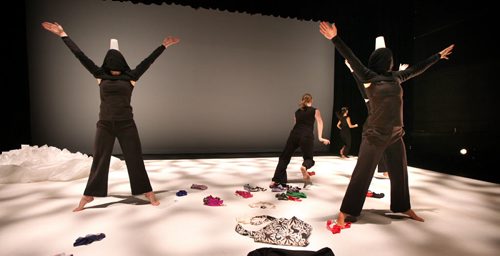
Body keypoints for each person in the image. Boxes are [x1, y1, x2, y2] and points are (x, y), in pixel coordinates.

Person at [319, 21, 454, 227]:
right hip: (374, 134)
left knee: (400, 173)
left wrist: (437, 56)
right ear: (384, 60)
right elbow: (351, 57)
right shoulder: (368, 75)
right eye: (389, 60)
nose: (391, 63)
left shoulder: (397, 77)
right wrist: (335, 39)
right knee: (361, 174)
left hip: (395, 134)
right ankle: (347, 210)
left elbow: (418, 69)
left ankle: (403, 206)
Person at [41, 21, 180, 211]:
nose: (114, 68)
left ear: (122, 63)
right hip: (105, 125)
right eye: (111, 64)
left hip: (126, 125)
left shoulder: (131, 76)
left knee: (135, 158)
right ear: (107, 63)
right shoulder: (100, 75)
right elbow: (80, 56)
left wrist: (163, 46)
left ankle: (147, 192)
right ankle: (88, 195)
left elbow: (148, 61)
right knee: (99, 159)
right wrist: (63, 34)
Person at [345, 60, 409, 178]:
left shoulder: (377, 87)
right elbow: (361, 82)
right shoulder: (372, 88)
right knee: (380, 146)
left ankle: (383, 170)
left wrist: (400, 72)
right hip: (376, 119)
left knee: (380, 146)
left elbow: (392, 83)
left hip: (376, 120)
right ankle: (380, 171)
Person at [270, 93, 330, 188]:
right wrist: (320, 138)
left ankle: (277, 180)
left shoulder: (297, 112)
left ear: (303, 100)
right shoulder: (315, 111)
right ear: (311, 100)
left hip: (294, 135)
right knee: (309, 159)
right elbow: (320, 122)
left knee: (284, 158)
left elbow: (295, 124)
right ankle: (304, 167)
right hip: (306, 136)